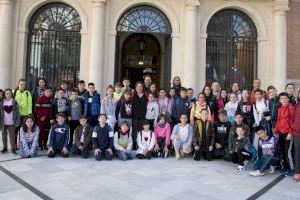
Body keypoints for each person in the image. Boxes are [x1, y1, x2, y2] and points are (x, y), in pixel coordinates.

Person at [274, 92, 295, 177]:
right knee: (282, 151)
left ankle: (292, 169)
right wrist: (276, 131)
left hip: (288, 133)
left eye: (285, 98)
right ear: (279, 100)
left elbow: (293, 121)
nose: (283, 100)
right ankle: (285, 167)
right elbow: (278, 120)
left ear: (288, 99)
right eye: (282, 99)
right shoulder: (279, 108)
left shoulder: (291, 107)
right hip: (281, 133)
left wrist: (290, 132)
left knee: (288, 152)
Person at [0, 89, 20, 154]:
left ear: (12, 94)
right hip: (3, 123)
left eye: (9, 93)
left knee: (12, 136)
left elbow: (17, 113)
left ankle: (13, 148)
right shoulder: (2, 102)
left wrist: (17, 122)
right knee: (4, 136)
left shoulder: (14, 102)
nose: (8, 95)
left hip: (12, 123)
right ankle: (5, 147)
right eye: (6, 93)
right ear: (4, 94)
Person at [132, 82, 148, 149]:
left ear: (143, 87)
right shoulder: (133, 95)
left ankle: (141, 146)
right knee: (134, 132)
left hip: (143, 117)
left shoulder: (146, 95)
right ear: (136, 88)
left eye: (140, 86)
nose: (139, 88)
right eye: (138, 86)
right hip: (134, 117)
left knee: (142, 132)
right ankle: (134, 146)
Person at [292, 90, 300, 182]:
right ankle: (297, 172)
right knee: (297, 153)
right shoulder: (296, 106)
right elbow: (292, 118)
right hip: (296, 133)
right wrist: (293, 127)